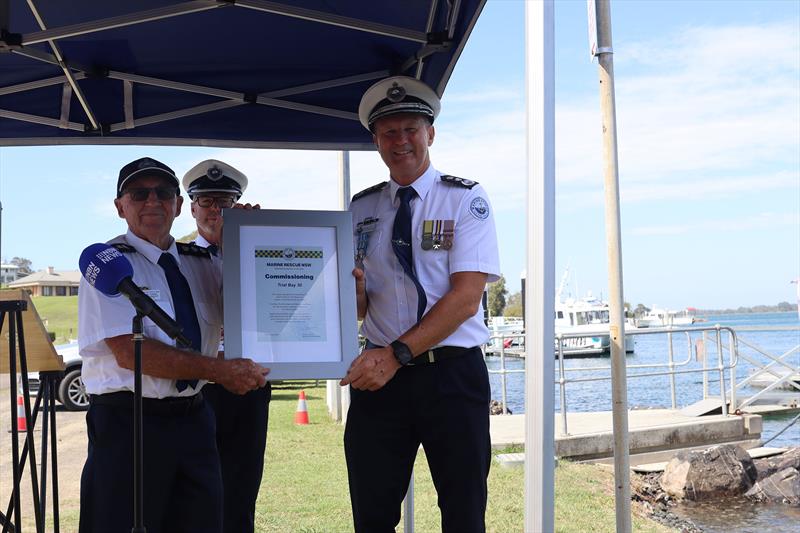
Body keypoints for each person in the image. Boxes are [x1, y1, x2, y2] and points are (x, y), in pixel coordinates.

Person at [340, 76, 501, 532]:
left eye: (411, 128)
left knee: (463, 512)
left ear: (430, 133)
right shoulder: (360, 209)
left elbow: (466, 299)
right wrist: (349, 295)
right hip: (379, 383)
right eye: (389, 132)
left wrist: (395, 354)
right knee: (371, 514)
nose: (401, 140)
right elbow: (359, 304)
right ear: (376, 141)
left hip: (451, 376)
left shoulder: (465, 200)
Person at [77, 157, 268, 533]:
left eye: (163, 193)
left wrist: (246, 245)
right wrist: (219, 370)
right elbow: (130, 352)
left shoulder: (203, 263)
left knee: (203, 522)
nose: (153, 201)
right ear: (120, 206)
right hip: (129, 424)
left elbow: (255, 315)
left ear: (179, 206)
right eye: (139, 193)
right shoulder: (108, 266)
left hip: (194, 420)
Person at [182, 159, 271, 533]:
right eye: (207, 201)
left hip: (249, 387)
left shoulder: (261, 251)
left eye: (225, 201)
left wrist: (252, 239)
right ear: (191, 208)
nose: (216, 210)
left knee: (241, 492)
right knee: (197, 494)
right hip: (200, 391)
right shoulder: (178, 259)